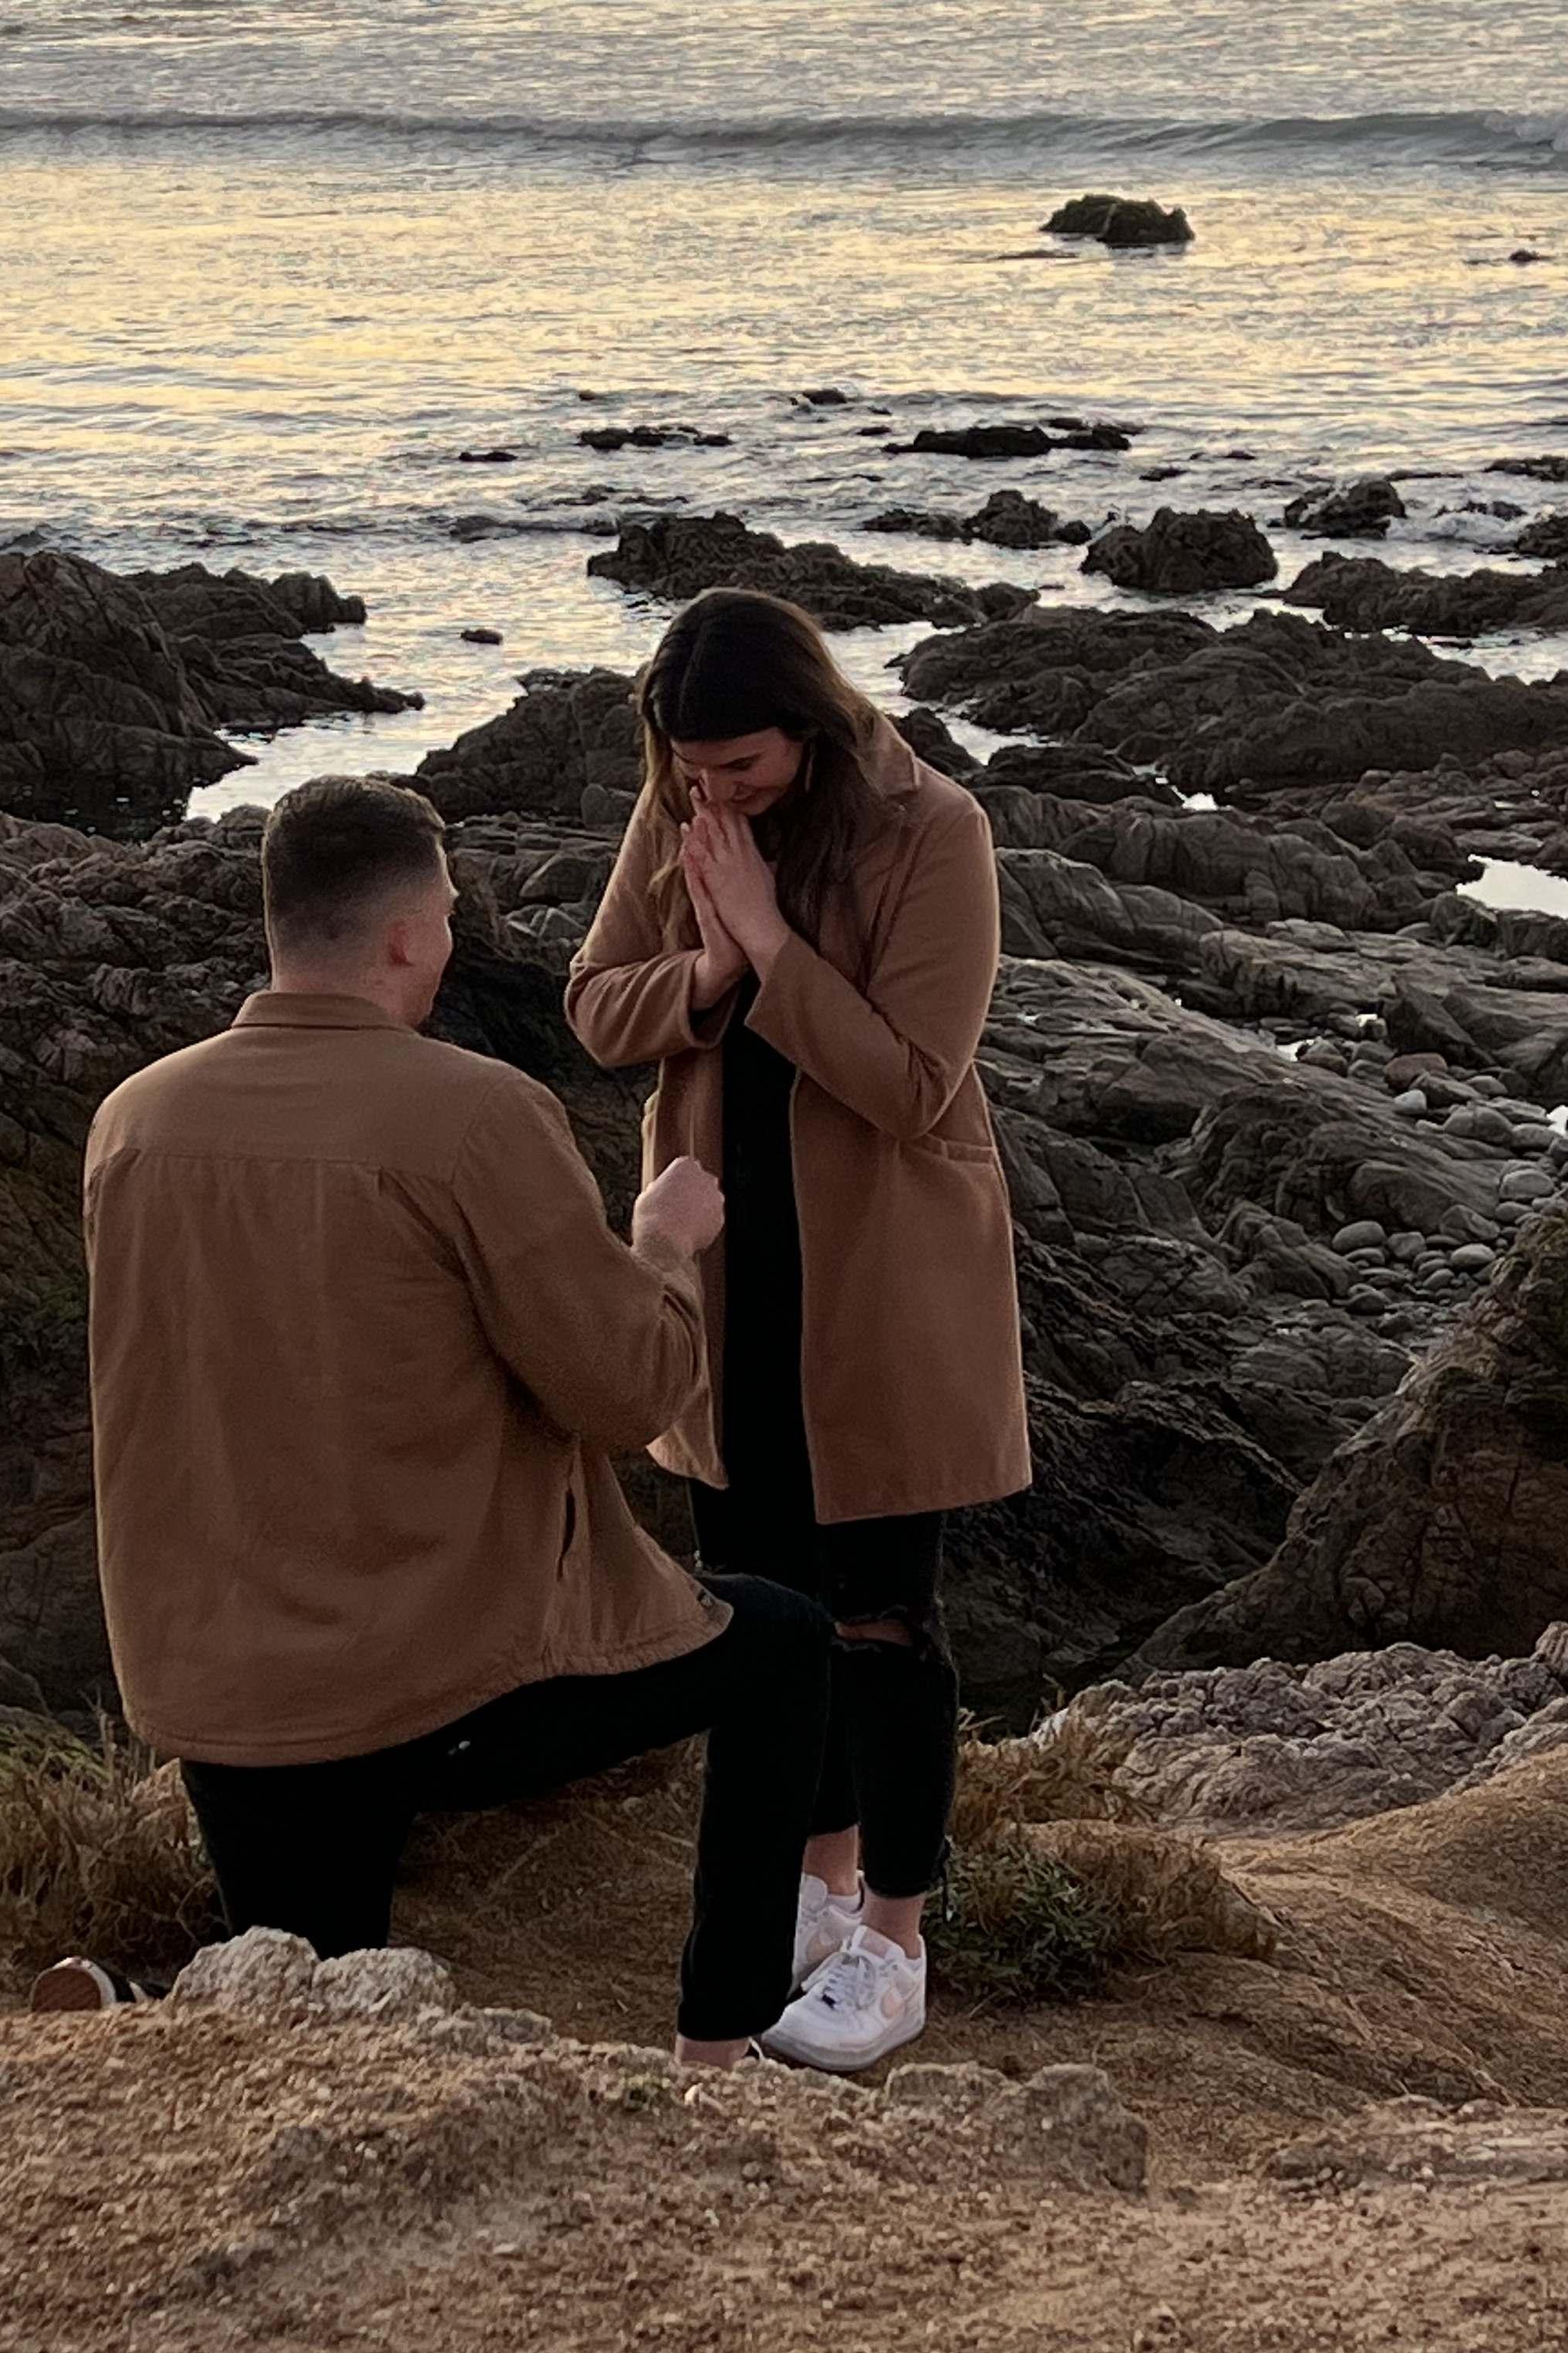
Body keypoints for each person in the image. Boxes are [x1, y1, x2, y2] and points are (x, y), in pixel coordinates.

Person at [76, 775, 831, 2067]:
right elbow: (627, 1393)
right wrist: (660, 1246)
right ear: (411, 935)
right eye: (446, 915)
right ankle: (723, 2043)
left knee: (320, 1997)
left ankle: (144, 2022)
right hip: (419, 1679)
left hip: (210, 1681)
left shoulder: (132, 1123)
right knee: (785, 1646)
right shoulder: (473, 1115)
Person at [566, 589, 1030, 2072]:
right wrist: (705, 969)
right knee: (763, 1610)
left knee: (884, 1618)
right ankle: (819, 1895)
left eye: (743, 773)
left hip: (883, 1274)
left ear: (812, 731)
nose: (714, 799)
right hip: (721, 1267)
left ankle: (897, 1933)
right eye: (695, 775)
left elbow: (914, 1081)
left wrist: (764, 939)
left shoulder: (933, 828)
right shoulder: (678, 804)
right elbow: (594, 1009)